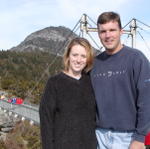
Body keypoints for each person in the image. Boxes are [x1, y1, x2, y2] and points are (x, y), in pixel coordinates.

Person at [90, 11, 150, 149]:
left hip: (128, 138)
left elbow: (146, 101)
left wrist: (140, 138)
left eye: (112, 30)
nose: (108, 35)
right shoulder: (94, 64)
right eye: (103, 31)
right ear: (98, 34)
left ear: (121, 31)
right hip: (99, 136)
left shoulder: (137, 59)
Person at [39, 37, 97, 149]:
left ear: (88, 59)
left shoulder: (91, 82)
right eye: (75, 55)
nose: (78, 60)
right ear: (68, 56)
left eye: (83, 56)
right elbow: (46, 119)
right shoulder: (54, 83)